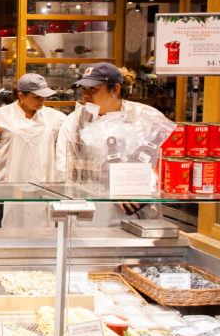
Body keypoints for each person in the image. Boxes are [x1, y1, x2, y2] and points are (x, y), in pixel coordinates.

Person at [54, 62, 170, 225]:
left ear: (115, 89)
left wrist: (145, 190)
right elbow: (63, 168)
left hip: (134, 217)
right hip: (88, 217)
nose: (85, 96)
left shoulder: (144, 118)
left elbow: (161, 164)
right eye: (84, 90)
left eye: (93, 90)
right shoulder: (74, 122)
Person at [0, 73, 66, 227]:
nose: (42, 101)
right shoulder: (0, 116)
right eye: (37, 97)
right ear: (21, 95)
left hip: (42, 186)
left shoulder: (55, 117)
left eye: (44, 96)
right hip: (6, 186)